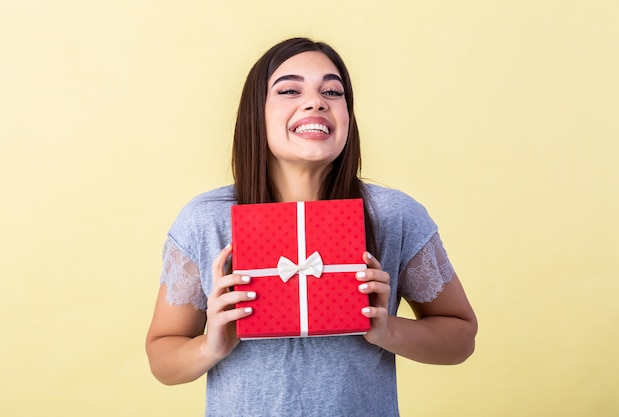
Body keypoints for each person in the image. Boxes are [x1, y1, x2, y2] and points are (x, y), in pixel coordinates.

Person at [146, 37, 477, 417]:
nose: (316, 101)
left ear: (348, 117)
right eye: (289, 89)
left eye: (332, 91)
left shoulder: (394, 215)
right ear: (256, 114)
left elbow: (461, 339)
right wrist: (212, 345)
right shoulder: (206, 221)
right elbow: (162, 357)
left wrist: (388, 330)